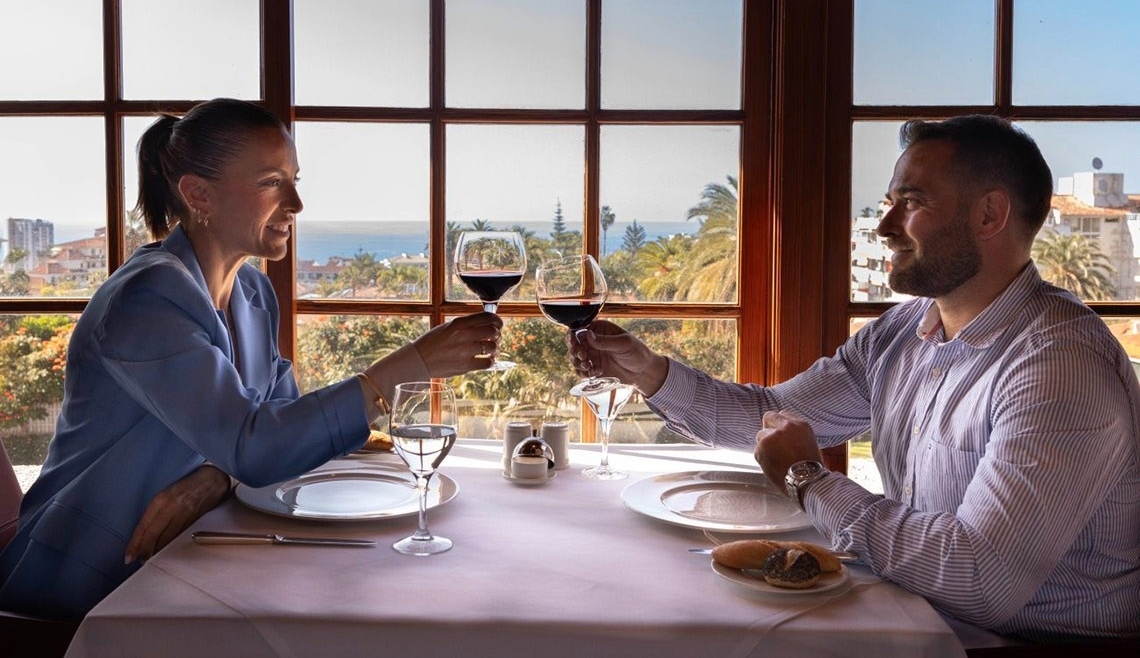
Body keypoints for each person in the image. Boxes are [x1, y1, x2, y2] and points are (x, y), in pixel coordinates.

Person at [570, 115, 1140, 642]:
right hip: (918, 616)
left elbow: (979, 579)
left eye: (911, 202)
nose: (885, 226)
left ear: (990, 215)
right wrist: (649, 373)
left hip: (1018, 646)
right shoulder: (901, 332)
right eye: (889, 202)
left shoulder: (1059, 365)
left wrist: (808, 479)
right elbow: (770, 413)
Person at [0, 98, 502, 620]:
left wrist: (219, 475)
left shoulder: (254, 294)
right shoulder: (146, 300)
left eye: (293, 179)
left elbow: (283, 432)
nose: (297, 204)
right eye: (271, 182)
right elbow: (259, 447)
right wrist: (412, 364)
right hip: (88, 583)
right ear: (199, 195)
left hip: (185, 558)